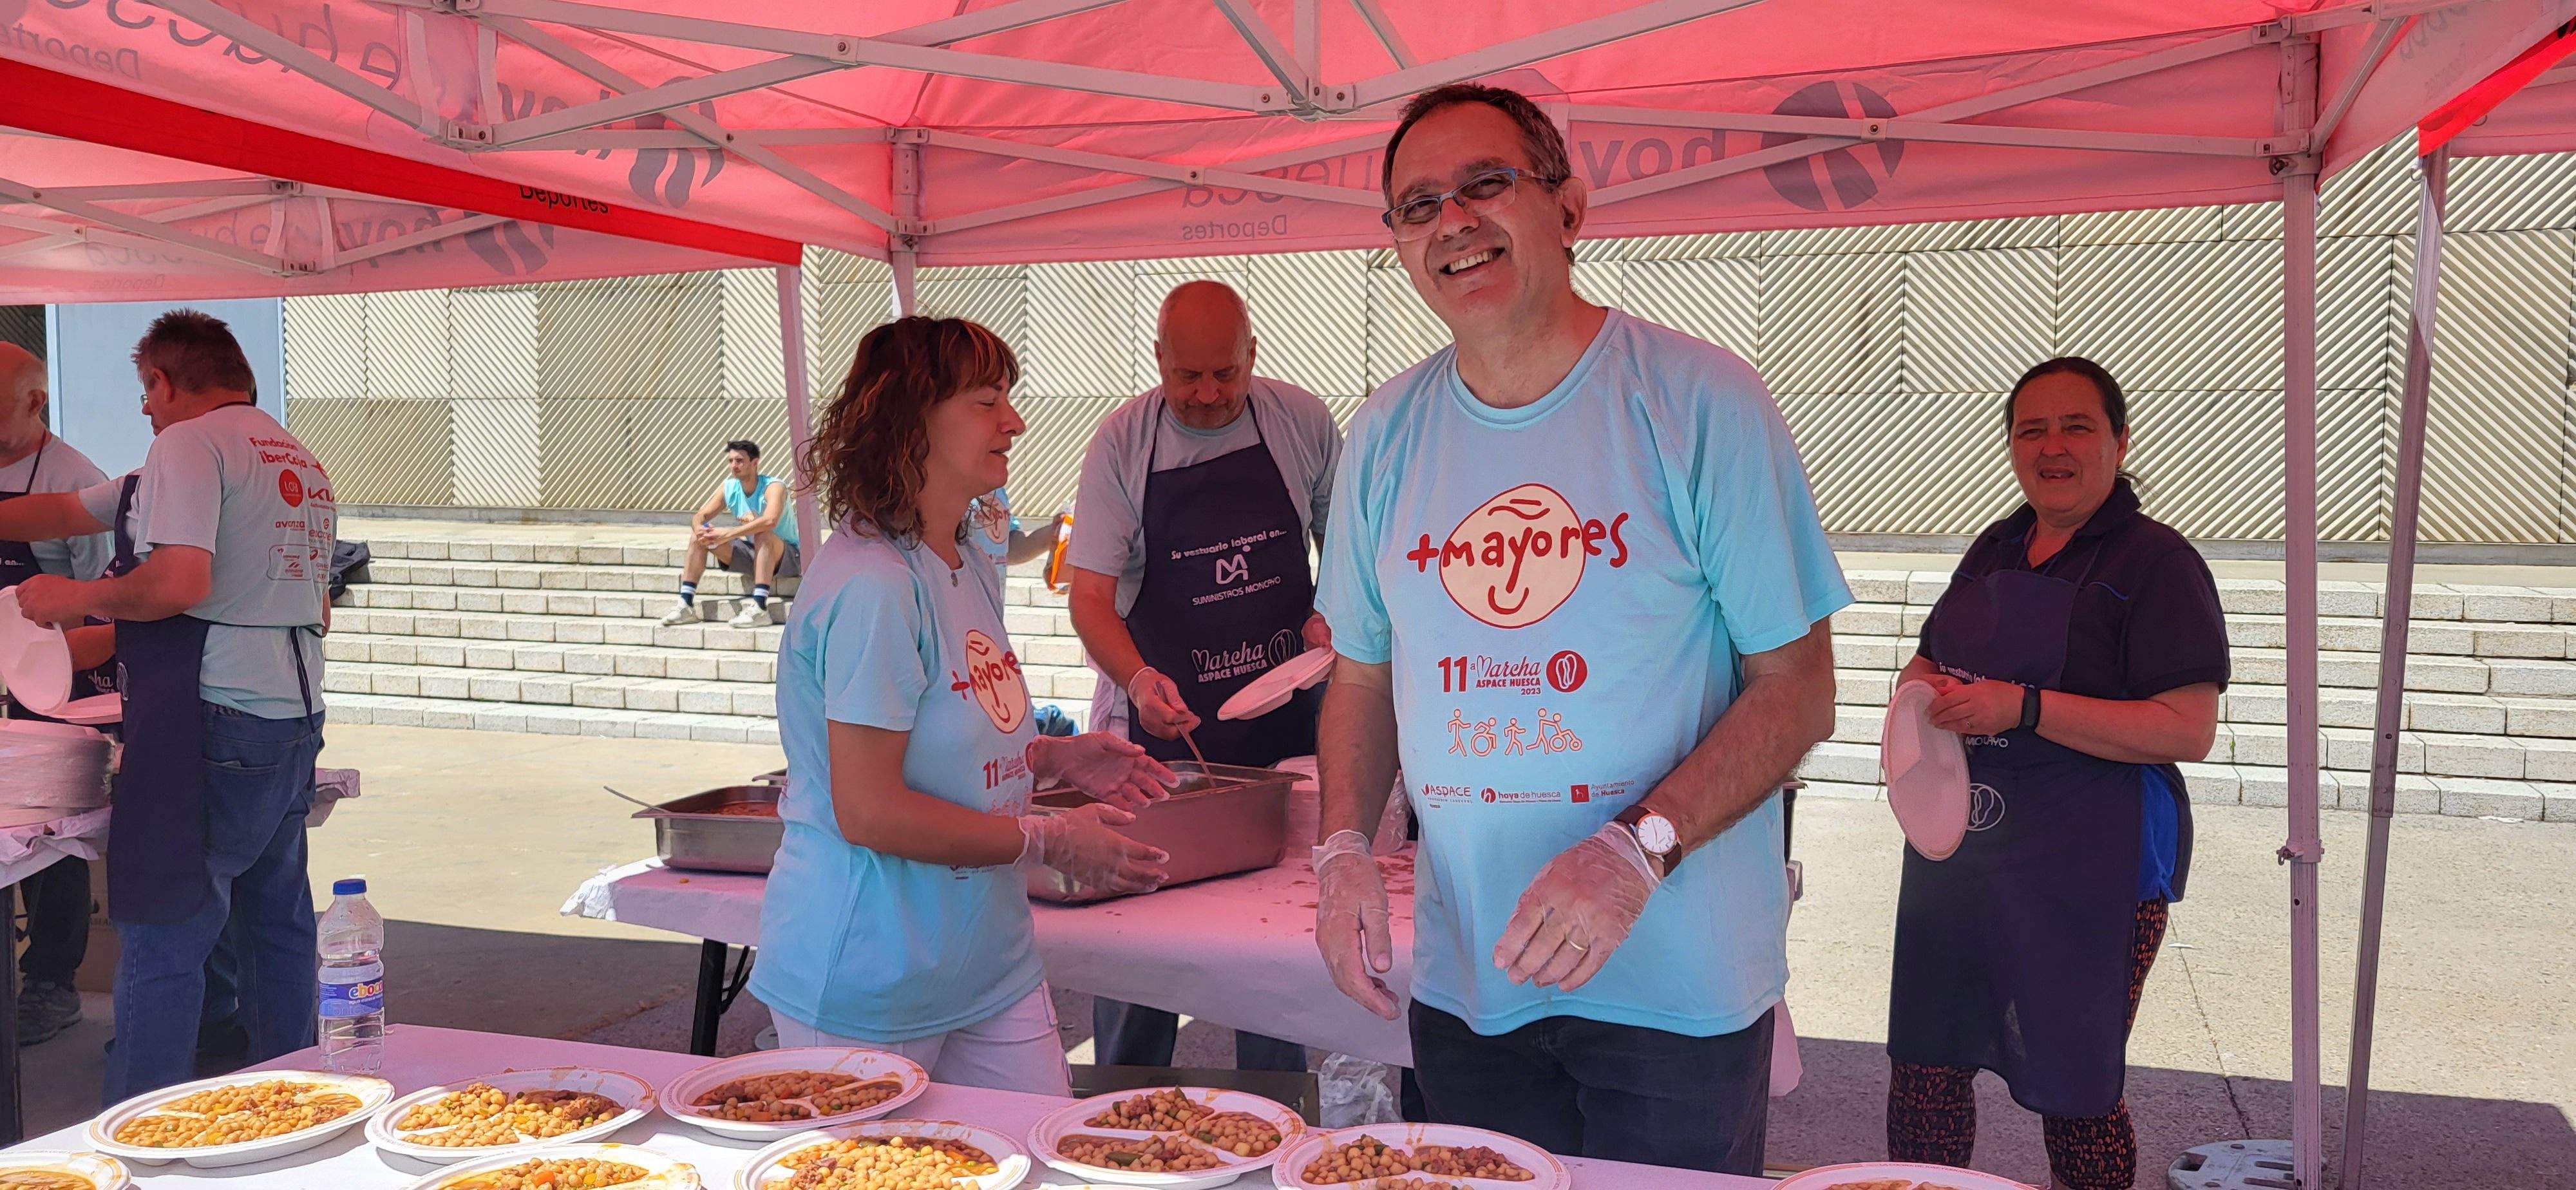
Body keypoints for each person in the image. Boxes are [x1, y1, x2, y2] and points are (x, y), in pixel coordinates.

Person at [1309, 84, 1849, 1175]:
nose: (1453, 222)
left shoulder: (1699, 400)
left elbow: (1797, 685)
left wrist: (1635, 849)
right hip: (1472, 986)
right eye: (1418, 206)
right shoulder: (1383, 434)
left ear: (1570, 204)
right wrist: (1341, 848)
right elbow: (1363, 677)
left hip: (1676, 992)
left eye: (1485, 184)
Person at [748, 315, 1175, 1091]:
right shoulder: (874, 587)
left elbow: (948, 740)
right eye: (987, 400)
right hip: (869, 975)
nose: (1013, 420)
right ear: (911, 418)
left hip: (988, 962)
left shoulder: (966, 555)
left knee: (1042, 1154)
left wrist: (1052, 757)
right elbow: (869, 812)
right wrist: (1047, 840)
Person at [1884, 357, 2226, 1190]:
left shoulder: (2156, 562)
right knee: (1926, 1067)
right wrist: (1920, 699)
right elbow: (1925, 664)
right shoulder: (1997, 544)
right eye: (2031, 429)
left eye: (2076, 425)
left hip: (2094, 869)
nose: (2053, 446)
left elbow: (2188, 728)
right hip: (1961, 853)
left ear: (2119, 439)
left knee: (2077, 1084)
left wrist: (2025, 708)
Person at [0, 309, 334, 1101]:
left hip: (207, 719)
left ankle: (142, 1124)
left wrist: (69, 596)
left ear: (165, 379)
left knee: (163, 921)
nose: (143, 411)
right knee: (274, 923)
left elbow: (178, 585)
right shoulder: (292, 454)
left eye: (145, 392)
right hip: (289, 717)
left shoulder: (187, 444)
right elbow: (69, 510)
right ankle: (295, 1099)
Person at [1064, 278, 1338, 1073]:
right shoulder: (1122, 443)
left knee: (1274, 938)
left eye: (1226, 372)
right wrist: (1139, 677)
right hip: (1160, 729)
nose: (1209, 393)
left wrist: (1335, 616)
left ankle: (1276, 1112)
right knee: (1138, 930)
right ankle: (1120, 1108)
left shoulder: (1302, 421)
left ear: (1254, 354)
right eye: (1188, 376)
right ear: (1157, 361)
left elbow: (1347, 549)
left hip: (1287, 721)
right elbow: (1089, 598)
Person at [0, 343, 112, 1048]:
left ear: (36, 402)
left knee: (54, 842)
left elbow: (107, 610)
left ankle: (50, 982)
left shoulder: (77, 483)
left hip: (55, 689)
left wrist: (39, 665)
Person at [661, 439, 800, 629]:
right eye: (731, 461)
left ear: (755, 463)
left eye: (740, 461)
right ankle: (685, 605)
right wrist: (699, 528)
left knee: (763, 534)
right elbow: (701, 515)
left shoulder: (774, 486)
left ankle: (760, 608)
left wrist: (728, 534)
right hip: (756, 554)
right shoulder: (730, 487)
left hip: (789, 556)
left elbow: (770, 521)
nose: (734, 466)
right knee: (700, 537)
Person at [963, 487, 1061, 576]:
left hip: (992, 594)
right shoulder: (953, 481)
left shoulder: (998, 490)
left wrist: (1054, 533)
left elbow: (1006, 546)